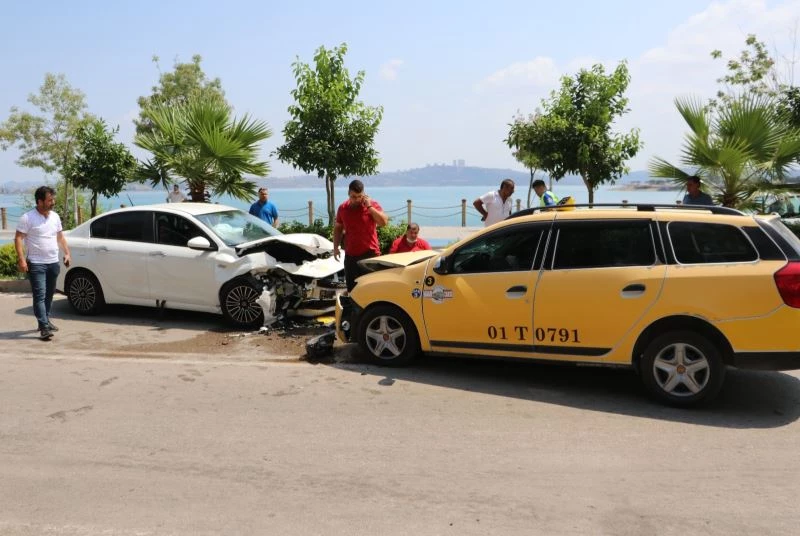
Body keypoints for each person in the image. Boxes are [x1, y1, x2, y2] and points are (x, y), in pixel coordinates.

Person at [14, 186, 71, 341]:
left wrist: (67, 253)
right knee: (40, 295)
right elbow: (18, 238)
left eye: (53, 199)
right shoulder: (27, 217)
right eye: (50, 200)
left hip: (53, 262)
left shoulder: (55, 217)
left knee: (49, 294)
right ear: (40, 201)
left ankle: (45, 320)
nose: (53, 202)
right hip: (36, 263)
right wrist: (21, 259)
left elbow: (60, 237)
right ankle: (44, 327)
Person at [333, 179, 389, 292]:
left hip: (370, 255)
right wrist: (335, 248)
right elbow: (338, 228)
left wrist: (370, 207)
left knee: (373, 291)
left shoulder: (372, 205)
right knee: (352, 291)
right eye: (353, 196)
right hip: (351, 256)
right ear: (348, 193)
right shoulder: (342, 208)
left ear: (364, 194)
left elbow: (383, 222)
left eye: (359, 196)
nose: (357, 200)